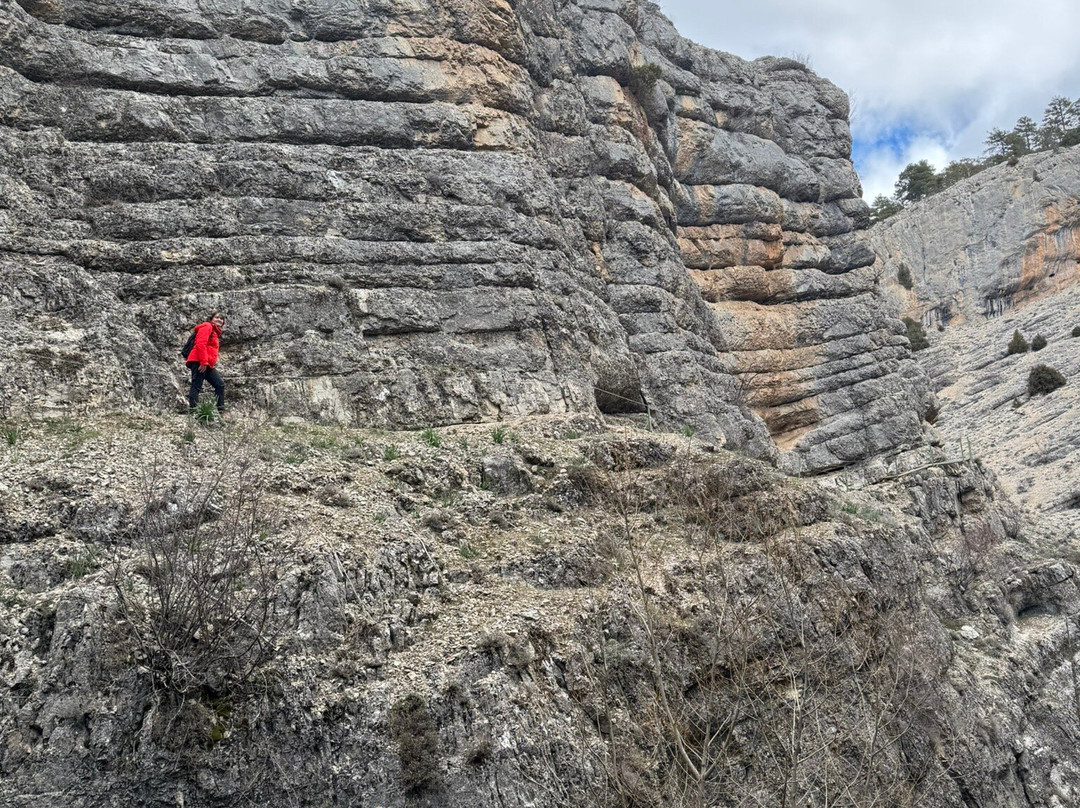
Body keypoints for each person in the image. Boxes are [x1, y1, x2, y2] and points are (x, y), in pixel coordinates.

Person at [185, 312, 227, 416]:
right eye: (217, 317)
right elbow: (201, 344)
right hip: (199, 361)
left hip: (207, 363)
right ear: (211, 319)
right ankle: (194, 412)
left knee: (219, 384)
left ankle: (221, 411)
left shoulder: (215, 332)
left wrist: (207, 363)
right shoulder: (207, 326)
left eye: (222, 319)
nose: (219, 320)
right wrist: (203, 362)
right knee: (196, 386)